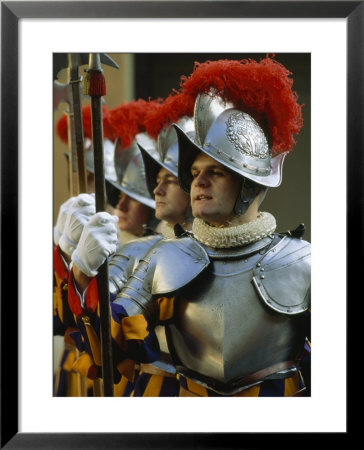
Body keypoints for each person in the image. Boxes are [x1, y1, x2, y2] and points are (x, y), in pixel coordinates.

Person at [108, 56, 311, 397]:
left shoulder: (305, 262)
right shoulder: (166, 257)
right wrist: (85, 276)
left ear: (249, 185)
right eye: (194, 172)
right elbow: (113, 342)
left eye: (215, 172)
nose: (198, 182)